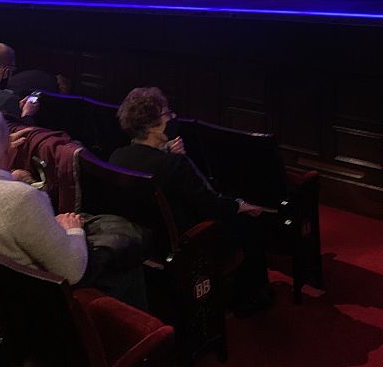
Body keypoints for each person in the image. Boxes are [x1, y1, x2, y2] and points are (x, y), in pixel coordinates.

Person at [110, 87, 273, 314]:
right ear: (152, 126)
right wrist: (239, 205)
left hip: (146, 241)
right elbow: (211, 206)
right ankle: (250, 299)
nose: (172, 117)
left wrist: (165, 151)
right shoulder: (174, 165)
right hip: (188, 241)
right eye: (167, 114)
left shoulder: (117, 157)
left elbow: (151, 165)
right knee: (246, 221)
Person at [0, 109, 87, 285]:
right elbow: (72, 271)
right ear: (10, 154)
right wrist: (73, 229)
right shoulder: (22, 198)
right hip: (18, 305)